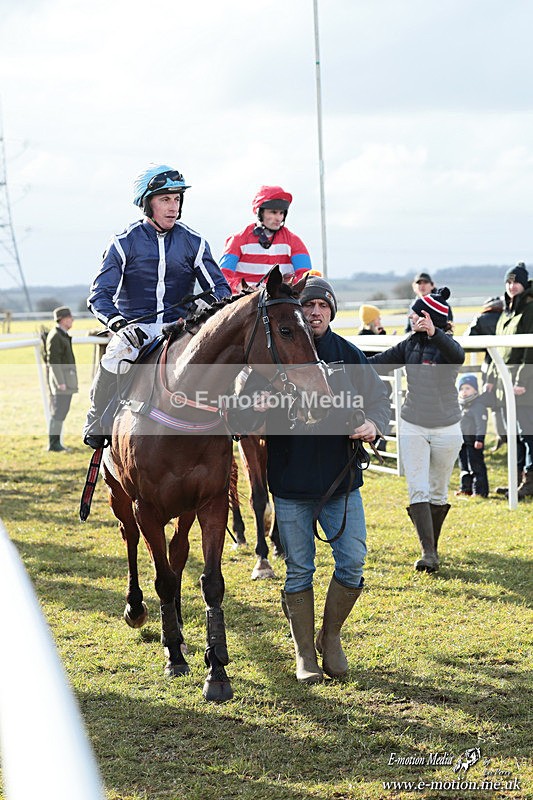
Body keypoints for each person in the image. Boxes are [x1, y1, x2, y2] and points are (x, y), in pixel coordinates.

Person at [229, 277, 390, 684]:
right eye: (308, 305)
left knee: (352, 562)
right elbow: (236, 419)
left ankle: (329, 637)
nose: (316, 312)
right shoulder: (268, 361)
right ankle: (304, 654)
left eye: (323, 305)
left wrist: (374, 424)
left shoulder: (349, 355)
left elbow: (380, 400)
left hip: (341, 482)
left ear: (332, 311)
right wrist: (252, 408)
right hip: (291, 485)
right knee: (299, 569)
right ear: (296, 312)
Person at [83, 164, 231, 448]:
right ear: (146, 203)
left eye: (177, 199)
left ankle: (231, 416)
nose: (173, 207)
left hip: (179, 330)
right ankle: (96, 418)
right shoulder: (123, 243)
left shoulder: (195, 242)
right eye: (165, 199)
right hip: (134, 332)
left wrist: (198, 310)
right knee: (115, 354)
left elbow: (220, 290)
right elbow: (99, 296)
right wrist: (120, 326)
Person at [368, 287, 465, 572]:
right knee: (417, 488)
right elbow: (377, 363)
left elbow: (457, 355)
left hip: (447, 427)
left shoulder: (448, 345)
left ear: (429, 317)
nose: (410, 318)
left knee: (438, 491)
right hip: (413, 424)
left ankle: (431, 547)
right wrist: (343, 359)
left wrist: (435, 333)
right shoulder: (409, 343)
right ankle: (428, 553)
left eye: (415, 314)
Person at [485, 263, 533, 500]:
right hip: (504, 384)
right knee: (512, 434)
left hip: (523, 384)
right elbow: (498, 349)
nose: (511, 286)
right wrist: (491, 379)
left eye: (516, 282)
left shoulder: (530, 309)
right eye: (508, 282)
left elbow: (529, 351)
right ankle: (516, 480)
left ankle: (530, 480)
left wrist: (522, 380)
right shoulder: (506, 312)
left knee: (527, 434)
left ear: (524, 284)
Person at [219, 185, 312, 292]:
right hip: (246, 299)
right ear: (260, 212)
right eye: (273, 212)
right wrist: (240, 286)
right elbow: (222, 276)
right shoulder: (237, 240)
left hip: (280, 299)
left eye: (281, 213)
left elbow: (306, 275)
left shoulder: (294, 241)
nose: (278, 218)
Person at [464, 295, 506, 450]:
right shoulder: (507, 317)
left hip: (490, 366)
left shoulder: (481, 319)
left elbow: (468, 340)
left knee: (493, 404)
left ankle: (501, 435)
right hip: (509, 364)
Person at [46, 306, 78, 452]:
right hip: (62, 382)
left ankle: (55, 443)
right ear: (63, 319)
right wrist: (60, 382)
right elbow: (54, 362)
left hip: (66, 381)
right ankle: (54, 445)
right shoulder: (56, 336)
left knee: (61, 411)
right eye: (70, 317)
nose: (72, 320)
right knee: (58, 412)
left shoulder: (62, 335)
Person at [455, 373, 489, 498]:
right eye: (462, 389)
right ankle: (465, 488)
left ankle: (480, 491)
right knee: (464, 466)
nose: (464, 392)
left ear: (475, 390)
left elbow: (481, 424)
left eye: (468, 388)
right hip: (462, 442)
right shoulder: (460, 405)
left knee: (476, 466)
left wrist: (480, 439)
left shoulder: (478, 406)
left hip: (474, 442)